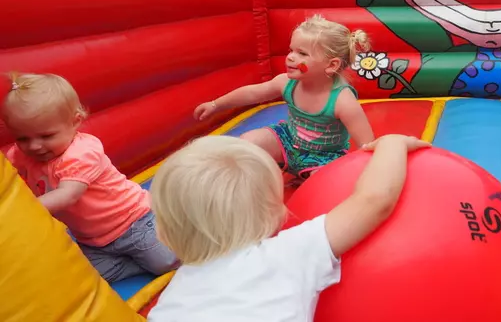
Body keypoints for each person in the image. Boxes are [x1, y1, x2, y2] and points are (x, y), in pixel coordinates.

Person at [147, 133, 429, 321]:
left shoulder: (169, 305)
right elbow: (374, 200)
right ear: (276, 215)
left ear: (163, 235)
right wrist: (392, 143)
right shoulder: (288, 252)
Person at [1, 73, 178, 281]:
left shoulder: (82, 151)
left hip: (134, 222)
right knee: (91, 276)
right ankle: (135, 263)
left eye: (46, 136)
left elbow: (67, 195)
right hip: (93, 240)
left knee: (167, 261)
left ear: (75, 122)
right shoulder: (21, 155)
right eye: (22, 138)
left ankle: (182, 226)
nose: (34, 146)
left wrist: (20, 209)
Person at [194, 15, 375, 183]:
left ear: (331, 65)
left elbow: (367, 145)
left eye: (302, 54)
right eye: (291, 50)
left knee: (322, 180)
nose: (290, 57)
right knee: (247, 143)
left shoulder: (342, 101)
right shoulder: (287, 82)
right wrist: (215, 104)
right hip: (287, 140)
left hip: (324, 156)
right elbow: (252, 93)